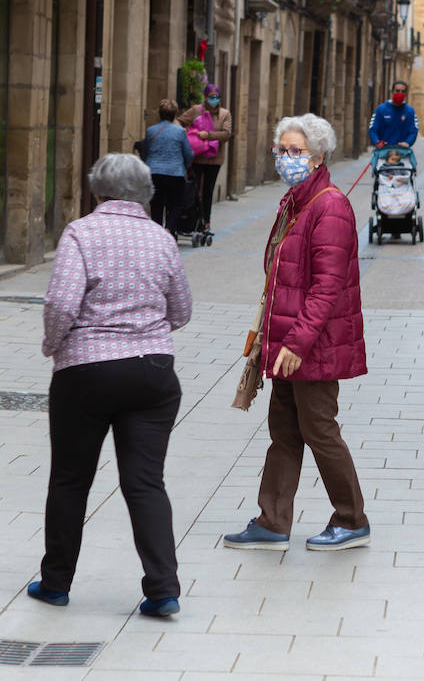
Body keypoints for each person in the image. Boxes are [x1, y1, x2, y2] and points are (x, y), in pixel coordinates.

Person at [31, 153, 193, 618]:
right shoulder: (162, 238)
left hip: (86, 372)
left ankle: (56, 582)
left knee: (70, 479)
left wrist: (53, 345)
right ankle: (163, 589)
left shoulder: (81, 233)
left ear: (96, 191)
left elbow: (61, 303)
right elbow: (181, 310)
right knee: (145, 483)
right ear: (146, 194)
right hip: (153, 373)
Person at [223, 114, 371, 553]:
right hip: (290, 341)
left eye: (295, 152)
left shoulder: (329, 206)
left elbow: (327, 287)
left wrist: (296, 342)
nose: (286, 159)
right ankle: (272, 522)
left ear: (318, 156)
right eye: (281, 151)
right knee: (284, 430)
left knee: (319, 429)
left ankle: (351, 518)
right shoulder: (296, 202)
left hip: (313, 345)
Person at [178, 84, 232, 233]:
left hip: (215, 160)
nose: (214, 99)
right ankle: (194, 220)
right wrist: (186, 135)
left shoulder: (225, 114)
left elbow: (227, 134)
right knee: (194, 191)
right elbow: (180, 121)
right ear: (205, 96)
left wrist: (208, 135)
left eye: (216, 96)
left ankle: (206, 222)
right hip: (198, 158)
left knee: (208, 192)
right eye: (211, 96)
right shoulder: (196, 110)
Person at [143, 99, 194, 236]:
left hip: (154, 173)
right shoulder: (180, 132)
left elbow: (146, 151)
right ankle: (169, 229)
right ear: (175, 114)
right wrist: (184, 166)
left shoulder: (151, 131)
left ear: (159, 114)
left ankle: (158, 232)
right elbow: (188, 153)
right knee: (176, 205)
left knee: (156, 205)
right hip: (175, 174)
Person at [368, 80, 419, 149]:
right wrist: (377, 142)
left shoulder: (410, 111)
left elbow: (414, 130)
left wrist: (408, 142)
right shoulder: (381, 109)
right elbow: (373, 129)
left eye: (403, 91)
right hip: (383, 150)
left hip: (402, 151)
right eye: (397, 91)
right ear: (392, 92)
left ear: (406, 94)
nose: (400, 93)